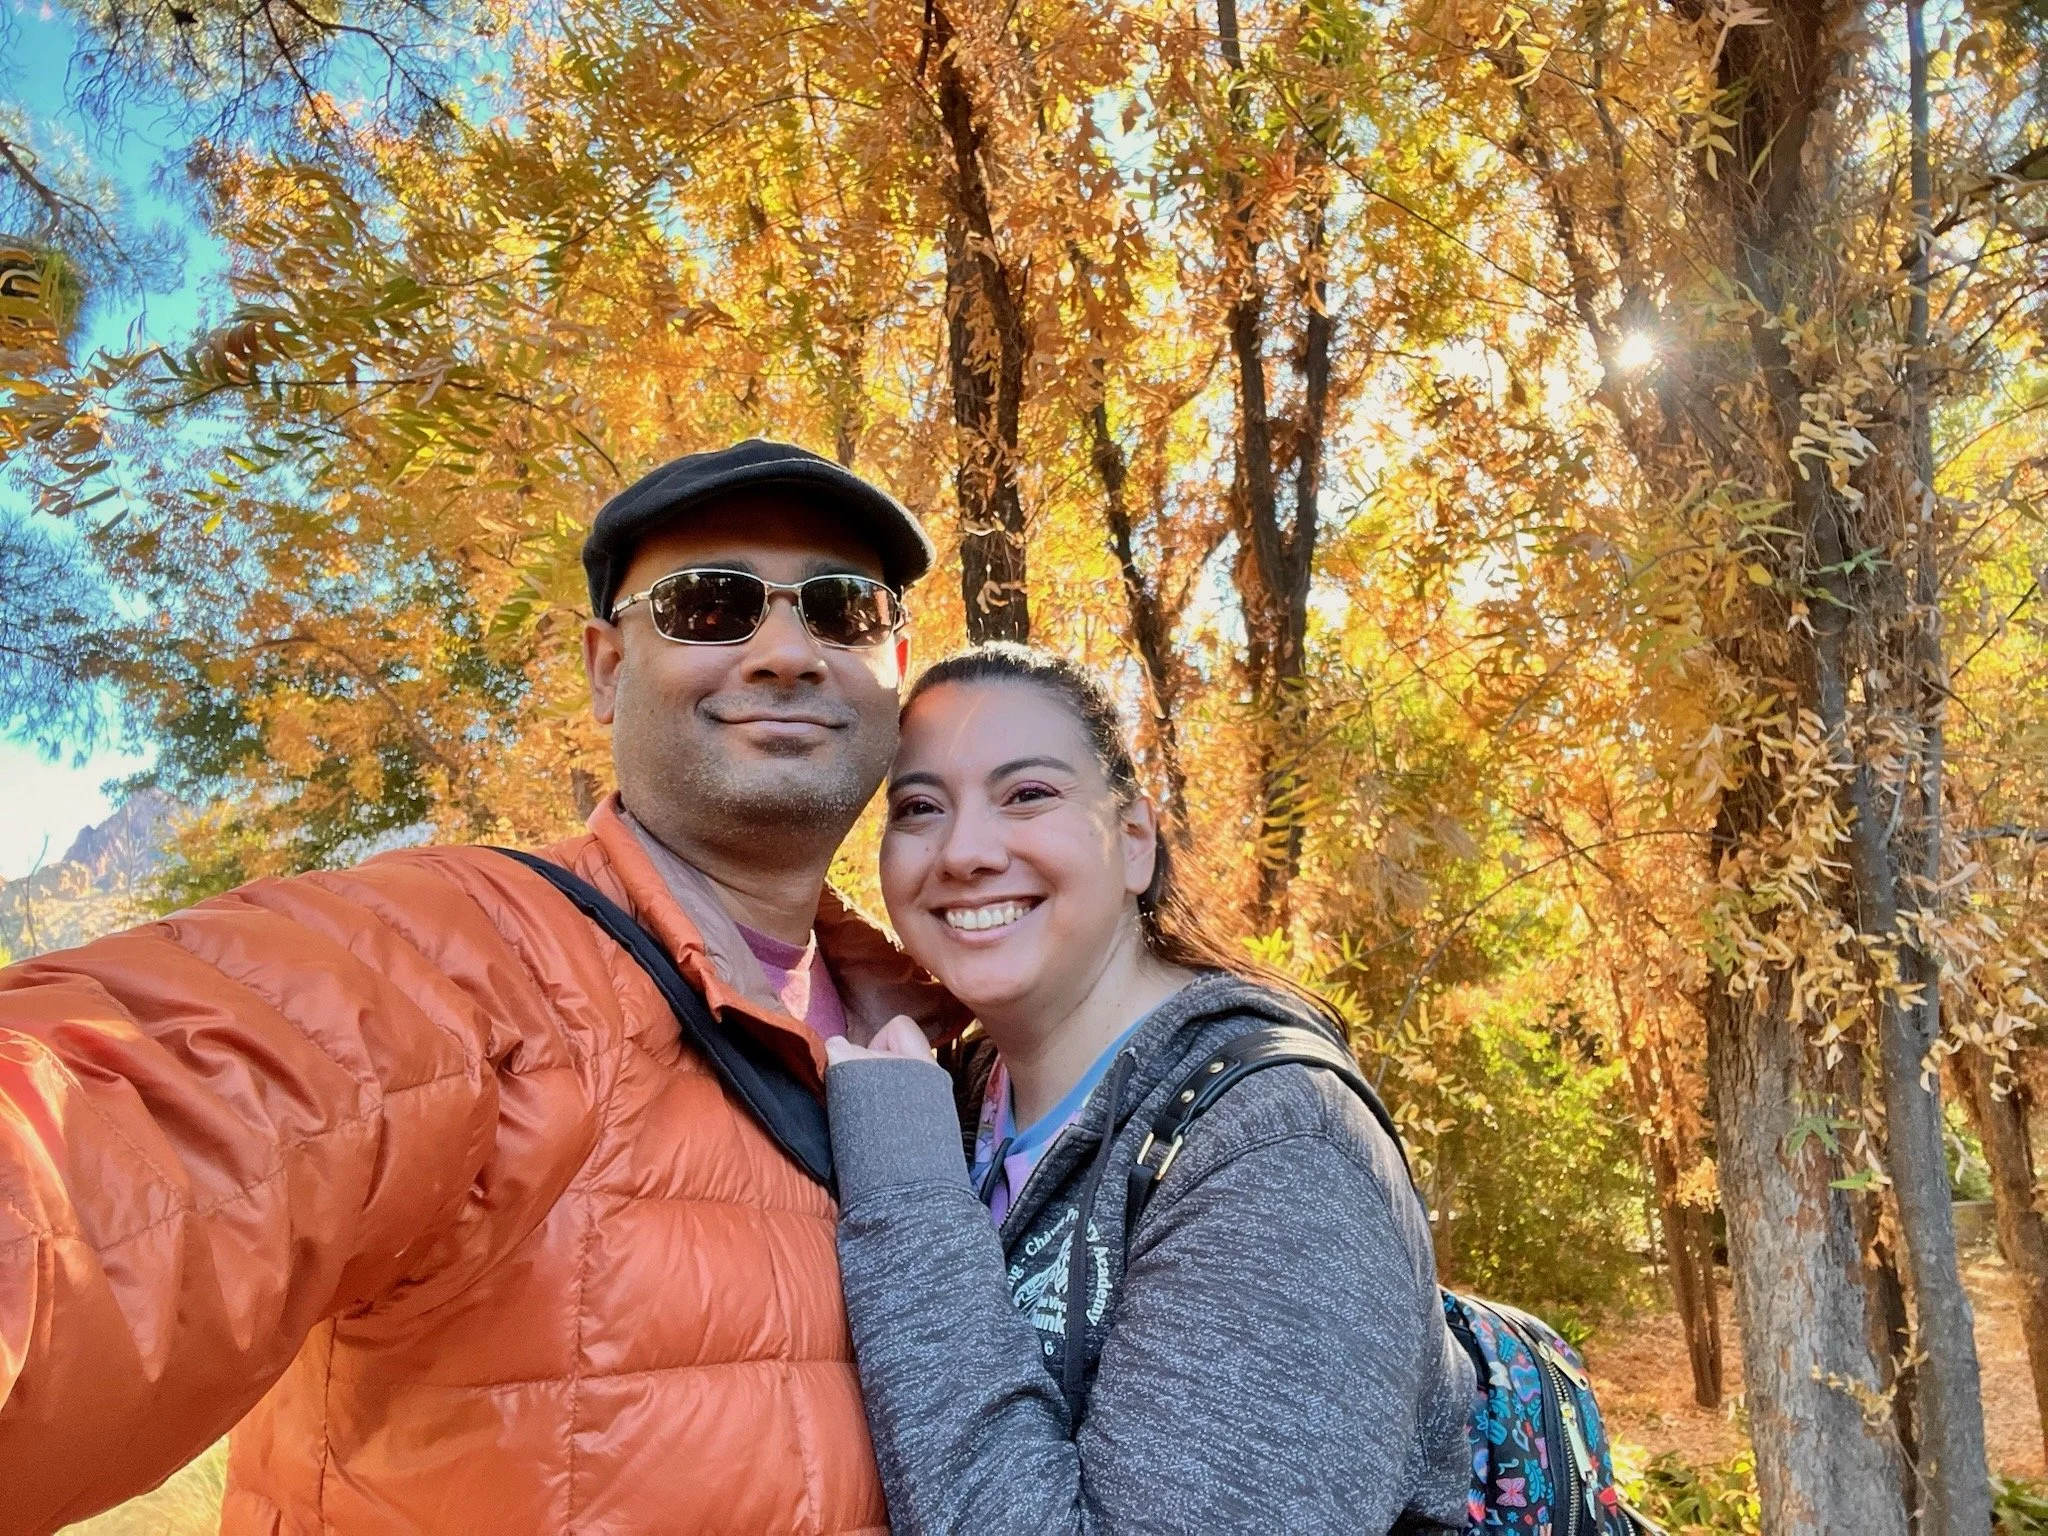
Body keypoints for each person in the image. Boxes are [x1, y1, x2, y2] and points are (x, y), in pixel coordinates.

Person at [0, 439, 963, 1534]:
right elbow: (126, 1126)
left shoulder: (964, 1043)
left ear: (893, 661)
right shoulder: (468, 960)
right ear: (606, 668)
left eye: (839, 610)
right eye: (710, 606)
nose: (786, 651)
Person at [824, 644, 1475, 1534]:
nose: (964, 850)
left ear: (1134, 841)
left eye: (1028, 794)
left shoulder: (1280, 1150)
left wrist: (903, 1191)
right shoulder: (956, 1095)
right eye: (919, 807)